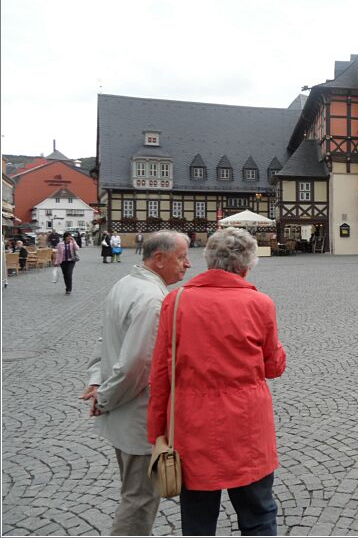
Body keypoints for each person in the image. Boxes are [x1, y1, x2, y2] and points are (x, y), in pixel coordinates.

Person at [148, 227, 287, 536]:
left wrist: (157, 431)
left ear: (209, 260)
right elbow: (273, 367)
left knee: (198, 521)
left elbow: (160, 372)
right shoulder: (260, 303)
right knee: (258, 514)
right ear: (246, 266)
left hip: (192, 426)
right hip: (247, 425)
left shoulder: (176, 301)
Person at [81, 231, 191, 536]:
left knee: (133, 492)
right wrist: (103, 397)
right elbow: (136, 367)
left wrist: (95, 380)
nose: (188, 264)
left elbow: (104, 339)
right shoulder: (153, 301)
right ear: (158, 259)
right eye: (182, 257)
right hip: (138, 417)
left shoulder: (125, 284)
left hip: (123, 415)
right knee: (139, 500)